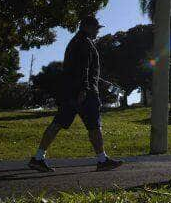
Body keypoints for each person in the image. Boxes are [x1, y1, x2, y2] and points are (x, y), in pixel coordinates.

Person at [28, 16, 123, 172]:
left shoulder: (77, 42)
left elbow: (80, 69)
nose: (97, 31)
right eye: (96, 28)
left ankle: (38, 158)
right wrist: (85, 90)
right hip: (85, 94)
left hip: (71, 92)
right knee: (94, 125)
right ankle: (102, 160)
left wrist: (100, 83)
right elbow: (83, 69)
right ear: (87, 27)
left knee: (58, 123)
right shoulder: (84, 43)